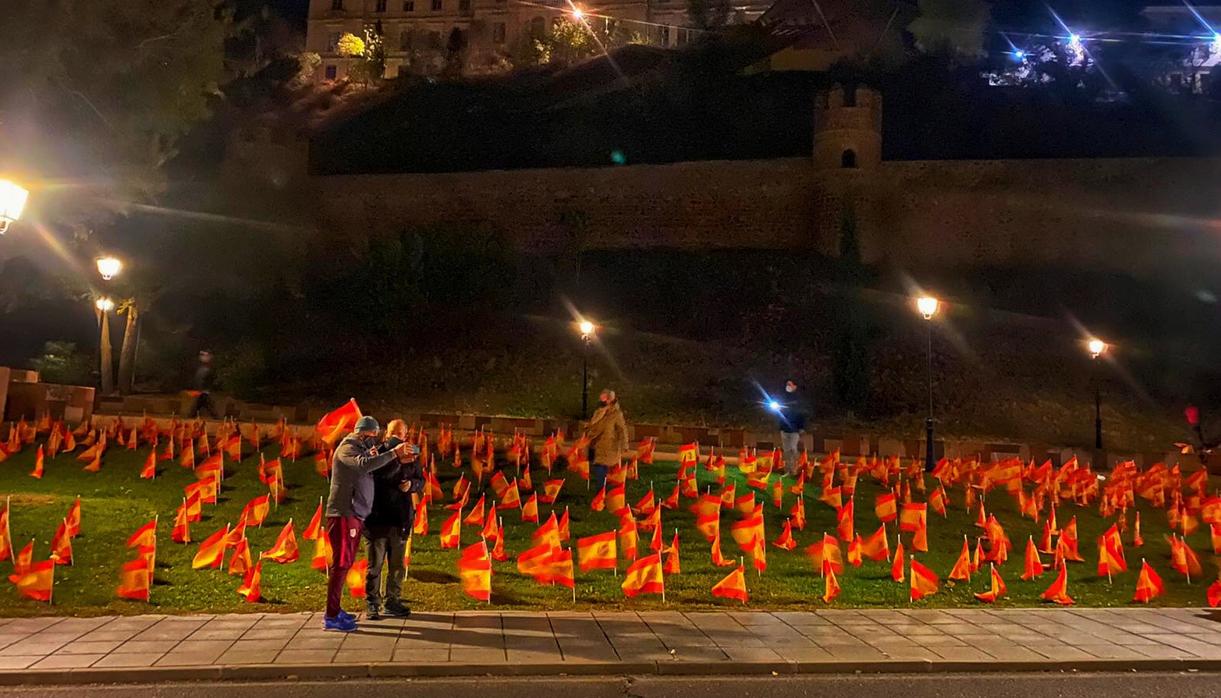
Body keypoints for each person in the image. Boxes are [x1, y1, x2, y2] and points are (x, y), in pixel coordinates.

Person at [323, 415, 416, 632]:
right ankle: (331, 616)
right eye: (372, 437)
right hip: (344, 513)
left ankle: (335, 610)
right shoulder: (347, 448)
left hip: (355, 514)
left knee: (344, 565)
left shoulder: (360, 449)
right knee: (341, 566)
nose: (374, 441)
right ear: (363, 433)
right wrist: (392, 453)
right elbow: (363, 466)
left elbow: (369, 463)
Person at [363, 419, 425, 620]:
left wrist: (412, 485)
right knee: (375, 565)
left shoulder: (413, 453)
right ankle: (372, 603)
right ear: (387, 434)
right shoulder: (378, 452)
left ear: (407, 434)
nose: (399, 436)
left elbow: (420, 479)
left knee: (397, 565)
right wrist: (397, 458)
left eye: (402, 432)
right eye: (394, 432)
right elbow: (377, 475)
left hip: (400, 518)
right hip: (378, 518)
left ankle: (393, 600)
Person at [585, 388, 628, 490]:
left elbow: (622, 430)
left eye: (605, 398)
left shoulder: (616, 414)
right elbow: (593, 425)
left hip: (609, 447)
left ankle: (601, 491)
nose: (603, 401)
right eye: (602, 399)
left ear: (610, 400)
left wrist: (624, 444)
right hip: (595, 445)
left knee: (601, 468)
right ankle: (603, 489)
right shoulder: (598, 412)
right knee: (598, 468)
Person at [777, 379, 809, 477]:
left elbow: (802, 415)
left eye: (790, 384)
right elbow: (779, 413)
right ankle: (788, 470)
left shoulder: (799, 400)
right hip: (784, 429)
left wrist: (801, 427)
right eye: (787, 384)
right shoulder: (783, 398)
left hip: (794, 430)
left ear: (795, 386)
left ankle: (795, 467)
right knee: (786, 451)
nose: (788, 386)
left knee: (792, 449)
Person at [188, 351, 218, 419]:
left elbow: (204, 381)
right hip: (202, 392)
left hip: (203, 392)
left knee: (199, 406)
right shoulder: (203, 369)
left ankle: (190, 417)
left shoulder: (205, 370)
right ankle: (216, 417)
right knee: (204, 406)